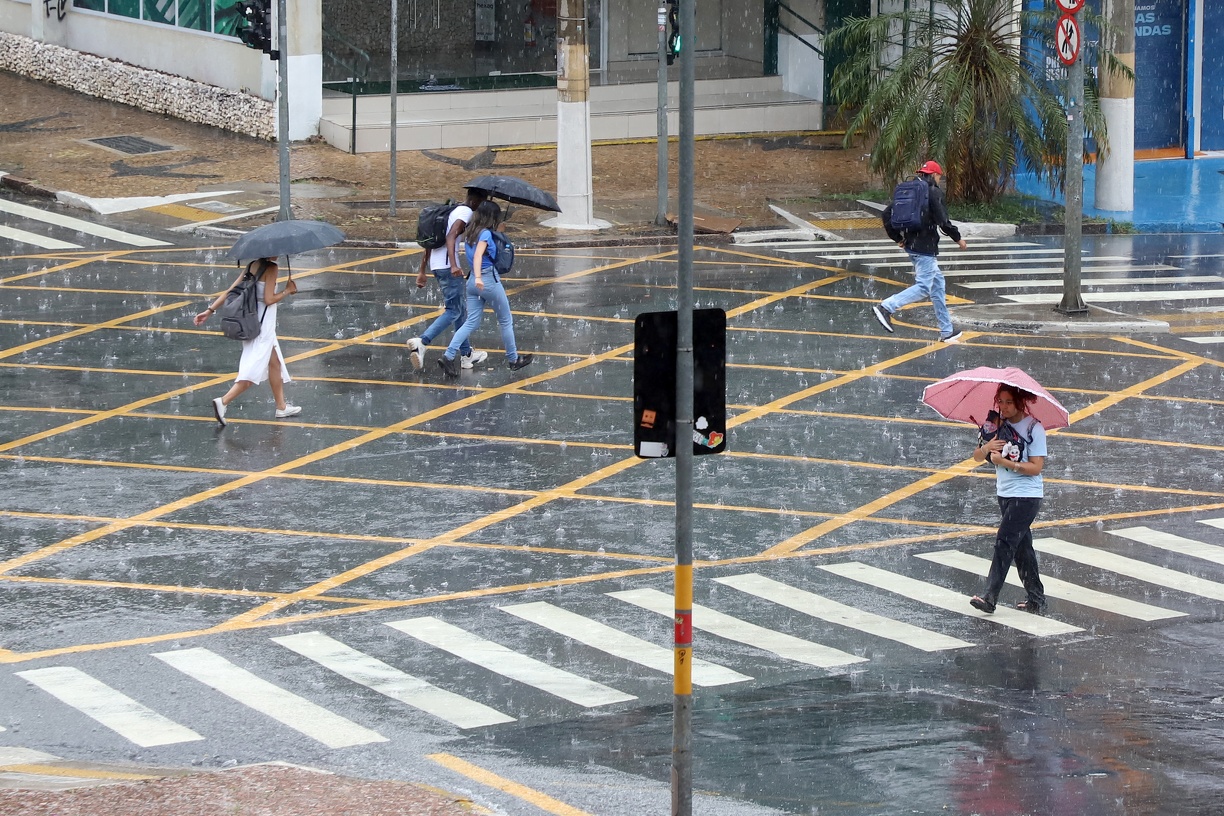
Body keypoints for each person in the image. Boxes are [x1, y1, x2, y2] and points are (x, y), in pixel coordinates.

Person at [969, 383, 1048, 614]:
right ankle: (1037, 599)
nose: (1003, 407)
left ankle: (989, 597)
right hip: (1004, 493)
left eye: (1009, 402)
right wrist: (987, 448)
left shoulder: (1034, 428)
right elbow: (976, 456)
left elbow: (1036, 468)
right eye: (1000, 401)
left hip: (1026, 496)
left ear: (1020, 402)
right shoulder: (995, 424)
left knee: (1004, 542)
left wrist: (1006, 463)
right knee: (1022, 548)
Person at [194, 257, 299, 427]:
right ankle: (223, 401)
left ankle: (281, 407)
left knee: (275, 364)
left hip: (250, 321)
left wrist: (209, 310)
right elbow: (269, 299)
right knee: (253, 369)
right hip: (262, 327)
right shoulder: (271, 268)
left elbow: (231, 290)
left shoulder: (253, 265)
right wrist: (288, 290)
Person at [872, 160, 968, 343]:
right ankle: (886, 307)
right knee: (924, 286)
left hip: (911, 245)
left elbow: (886, 214)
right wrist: (958, 239)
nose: (940, 179)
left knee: (937, 285)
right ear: (934, 175)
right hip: (925, 247)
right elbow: (943, 221)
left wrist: (898, 238)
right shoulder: (932, 191)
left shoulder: (911, 190)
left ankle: (947, 331)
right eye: (939, 176)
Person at [437, 200, 533, 378]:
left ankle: (448, 356)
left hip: (471, 280)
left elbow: (476, 253)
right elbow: (480, 255)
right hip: (486, 279)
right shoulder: (486, 234)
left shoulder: (470, 232)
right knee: (505, 320)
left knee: (471, 322)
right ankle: (513, 359)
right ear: (491, 217)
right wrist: (481, 277)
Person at [407, 189, 490, 371]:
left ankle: (466, 355)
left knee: (459, 311)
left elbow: (431, 242)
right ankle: (422, 341)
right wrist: (454, 265)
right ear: (477, 202)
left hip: (437, 266)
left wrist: (422, 270)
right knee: (454, 310)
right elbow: (451, 236)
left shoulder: (453, 210)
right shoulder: (466, 213)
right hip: (447, 267)